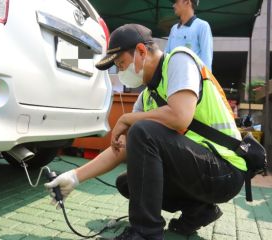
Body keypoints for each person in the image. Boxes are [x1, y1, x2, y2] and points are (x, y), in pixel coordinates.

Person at [45, 24, 246, 240]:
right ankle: (200, 211)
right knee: (128, 182)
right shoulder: (146, 98)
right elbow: (121, 149)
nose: (121, 72)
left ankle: (145, 232)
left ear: (141, 51)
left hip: (226, 170)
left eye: (121, 64)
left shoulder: (179, 60)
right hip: (199, 169)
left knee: (142, 130)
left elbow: (180, 116)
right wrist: (74, 177)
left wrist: (127, 118)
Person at [165, 0, 213, 71]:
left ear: (187, 2)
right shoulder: (174, 28)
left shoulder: (202, 26)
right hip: (172, 79)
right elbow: (166, 56)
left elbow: (207, 60)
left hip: (194, 81)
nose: (173, 5)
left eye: (176, 2)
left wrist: (206, 80)